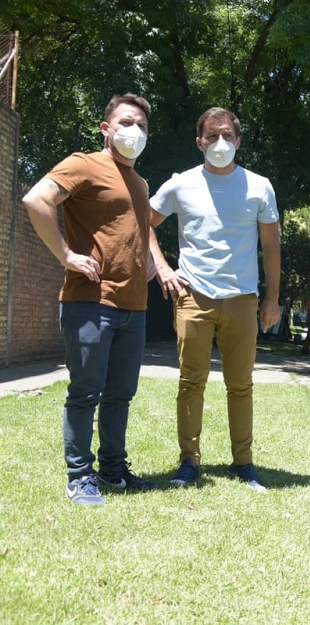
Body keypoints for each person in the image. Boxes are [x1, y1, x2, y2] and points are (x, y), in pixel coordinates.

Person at [21, 93, 159, 506]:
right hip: (90, 301)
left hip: (133, 307)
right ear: (107, 128)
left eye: (142, 125)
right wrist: (65, 255)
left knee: (121, 396)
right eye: (127, 122)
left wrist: (153, 263)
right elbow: (36, 199)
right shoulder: (85, 163)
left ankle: (114, 472)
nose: (134, 131)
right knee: (86, 392)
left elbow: (134, 231)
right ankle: (80, 478)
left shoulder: (140, 181)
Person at [149, 106, 281, 493]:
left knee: (241, 385)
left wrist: (272, 300)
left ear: (238, 141)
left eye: (227, 136)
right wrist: (163, 268)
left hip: (242, 297)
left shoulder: (259, 186)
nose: (219, 143)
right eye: (212, 136)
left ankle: (244, 463)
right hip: (193, 294)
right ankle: (189, 462)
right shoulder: (180, 184)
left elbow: (271, 246)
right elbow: (144, 222)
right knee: (191, 382)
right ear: (199, 142)